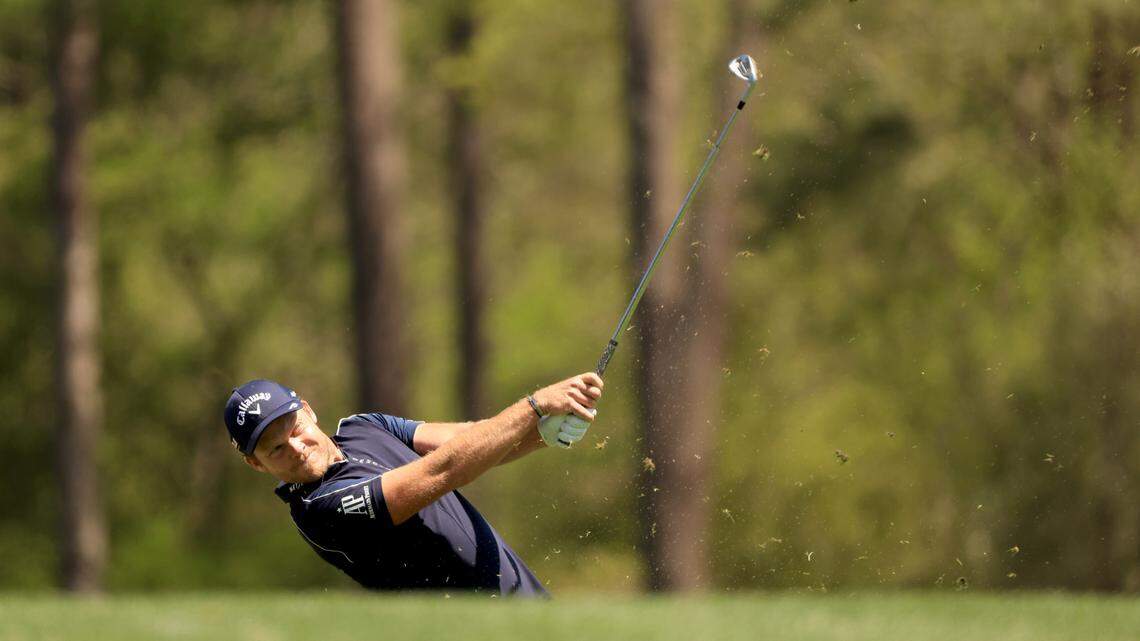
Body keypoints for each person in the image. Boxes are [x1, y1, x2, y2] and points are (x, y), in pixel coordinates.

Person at [223, 373, 604, 596]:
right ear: (256, 464)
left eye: (295, 429)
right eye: (275, 448)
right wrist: (534, 407)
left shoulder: (363, 426)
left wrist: (545, 434)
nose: (297, 448)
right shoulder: (321, 511)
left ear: (307, 410)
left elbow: (470, 440)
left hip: (525, 604)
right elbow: (441, 472)